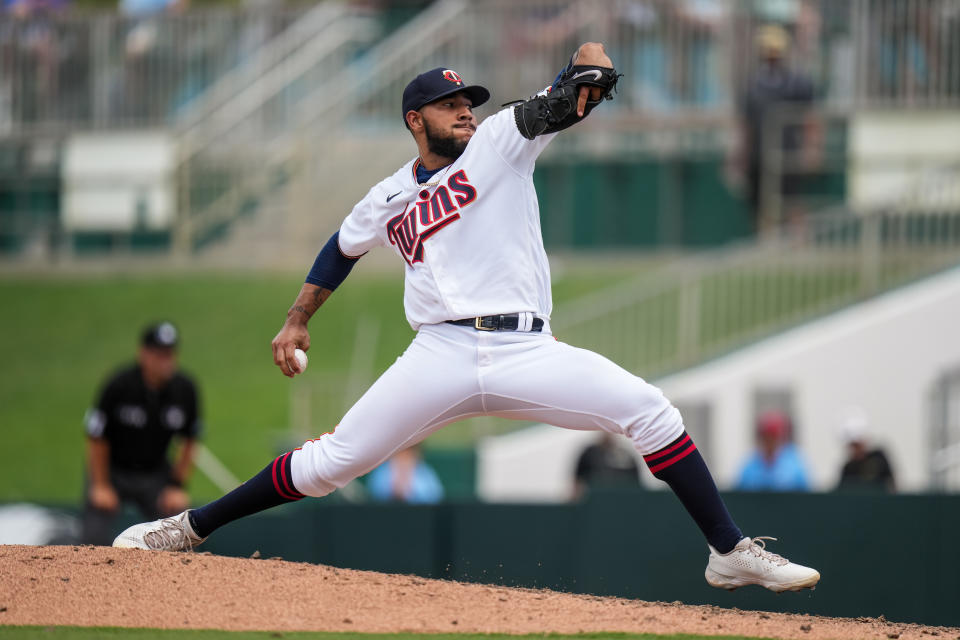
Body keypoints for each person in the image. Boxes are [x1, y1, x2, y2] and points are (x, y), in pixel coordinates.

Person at [114, 43, 819, 593]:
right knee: (332, 462)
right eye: (450, 104)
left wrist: (591, 65)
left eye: (467, 101)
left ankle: (729, 552)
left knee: (651, 412)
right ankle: (189, 527)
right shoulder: (388, 193)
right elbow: (342, 247)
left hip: (526, 349)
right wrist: (298, 317)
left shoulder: (501, 141)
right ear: (414, 120)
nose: (464, 111)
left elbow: (567, 98)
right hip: (439, 355)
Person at [82, 322, 201, 545]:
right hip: (113, 470)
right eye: (159, 355)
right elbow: (96, 436)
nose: (166, 361)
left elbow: (190, 440)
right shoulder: (119, 385)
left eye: (170, 354)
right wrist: (100, 485)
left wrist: (176, 486)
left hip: (155, 471)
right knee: (93, 537)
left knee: (182, 529)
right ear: (144, 354)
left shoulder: (185, 389)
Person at [731, 23, 819, 233]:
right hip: (758, 155)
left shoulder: (798, 83)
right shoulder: (752, 85)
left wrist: (811, 149)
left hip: (786, 152)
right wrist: (739, 157)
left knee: (790, 202)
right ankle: (767, 246)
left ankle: (800, 244)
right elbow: (745, 125)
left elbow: (810, 119)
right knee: (760, 204)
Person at [736, 410, 811, 492]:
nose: (769, 442)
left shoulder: (795, 465)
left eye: (773, 437)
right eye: (766, 437)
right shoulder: (750, 466)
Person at [835, 406, 895, 493]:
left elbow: (892, 486)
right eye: (852, 445)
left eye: (857, 444)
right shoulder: (848, 468)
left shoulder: (879, 458)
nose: (854, 449)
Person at [572, 432, 642, 500]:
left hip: (621, 499)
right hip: (594, 500)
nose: (608, 434)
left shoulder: (625, 455)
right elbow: (578, 480)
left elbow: (636, 483)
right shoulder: (590, 453)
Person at [367, 444, 444, 504]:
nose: (405, 454)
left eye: (409, 450)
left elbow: (435, 496)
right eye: (402, 450)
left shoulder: (424, 471)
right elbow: (376, 495)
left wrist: (409, 492)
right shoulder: (383, 471)